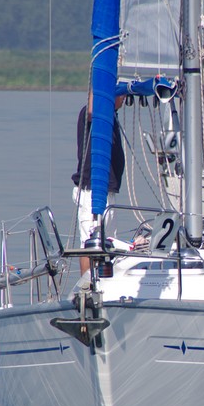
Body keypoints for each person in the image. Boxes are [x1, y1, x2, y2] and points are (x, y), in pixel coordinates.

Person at [72, 91, 125, 275]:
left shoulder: (111, 117)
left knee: (108, 242)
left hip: (107, 191)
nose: (124, 97)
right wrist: (102, 83)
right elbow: (92, 110)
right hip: (92, 191)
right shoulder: (93, 114)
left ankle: (103, 283)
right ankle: (87, 285)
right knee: (90, 243)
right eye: (120, 93)